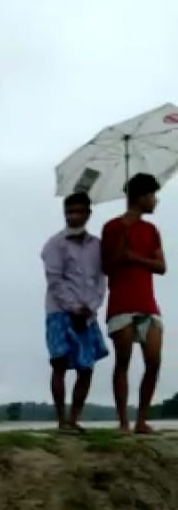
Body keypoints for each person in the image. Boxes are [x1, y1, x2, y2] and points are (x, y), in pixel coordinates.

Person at [101, 173, 166, 434]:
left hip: (147, 304)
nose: (155, 200)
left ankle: (141, 420)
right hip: (121, 303)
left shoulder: (151, 230)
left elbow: (161, 266)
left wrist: (134, 256)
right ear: (140, 197)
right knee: (123, 362)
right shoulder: (112, 227)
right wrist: (122, 248)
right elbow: (107, 267)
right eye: (152, 195)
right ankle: (123, 422)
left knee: (153, 361)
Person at [41, 191, 107, 432]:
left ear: (88, 214)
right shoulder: (54, 244)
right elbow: (55, 280)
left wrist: (89, 308)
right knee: (59, 363)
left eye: (79, 211)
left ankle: (73, 418)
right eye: (69, 212)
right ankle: (61, 420)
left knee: (86, 367)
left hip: (87, 314)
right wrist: (73, 308)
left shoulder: (98, 246)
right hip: (59, 312)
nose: (74, 216)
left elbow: (100, 281)